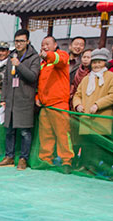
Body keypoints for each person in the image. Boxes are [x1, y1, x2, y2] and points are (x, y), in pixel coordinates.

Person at [0, 29, 40, 170]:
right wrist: (4, 98)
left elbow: (33, 76)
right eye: (16, 41)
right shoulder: (11, 56)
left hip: (25, 100)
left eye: (21, 41)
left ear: (27, 41)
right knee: (9, 130)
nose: (19, 44)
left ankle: (23, 158)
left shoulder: (34, 57)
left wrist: (19, 65)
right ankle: (9, 156)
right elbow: (7, 80)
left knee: (25, 132)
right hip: (11, 100)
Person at [72, 48, 113, 175]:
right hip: (86, 118)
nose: (97, 65)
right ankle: (85, 165)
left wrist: (98, 105)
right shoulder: (87, 78)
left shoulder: (110, 77)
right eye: (94, 62)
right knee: (86, 145)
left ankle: (95, 168)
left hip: (101, 117)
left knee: (99, 146)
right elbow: (77, 94)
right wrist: (78, 105)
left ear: (105, 62)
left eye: (100, 62)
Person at [35, 36, 73, 170]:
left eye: (47, 44)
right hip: (45, 105)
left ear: (55, 44)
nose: (44, 46)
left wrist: (48, 55)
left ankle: (66, 161)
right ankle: (46, 159)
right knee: (46, 135)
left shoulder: (61, 56)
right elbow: (39, 83)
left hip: (59, 104)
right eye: (42, 44)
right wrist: (37, 97)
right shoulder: (43, 64)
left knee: (63, 134)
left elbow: (58, 59)